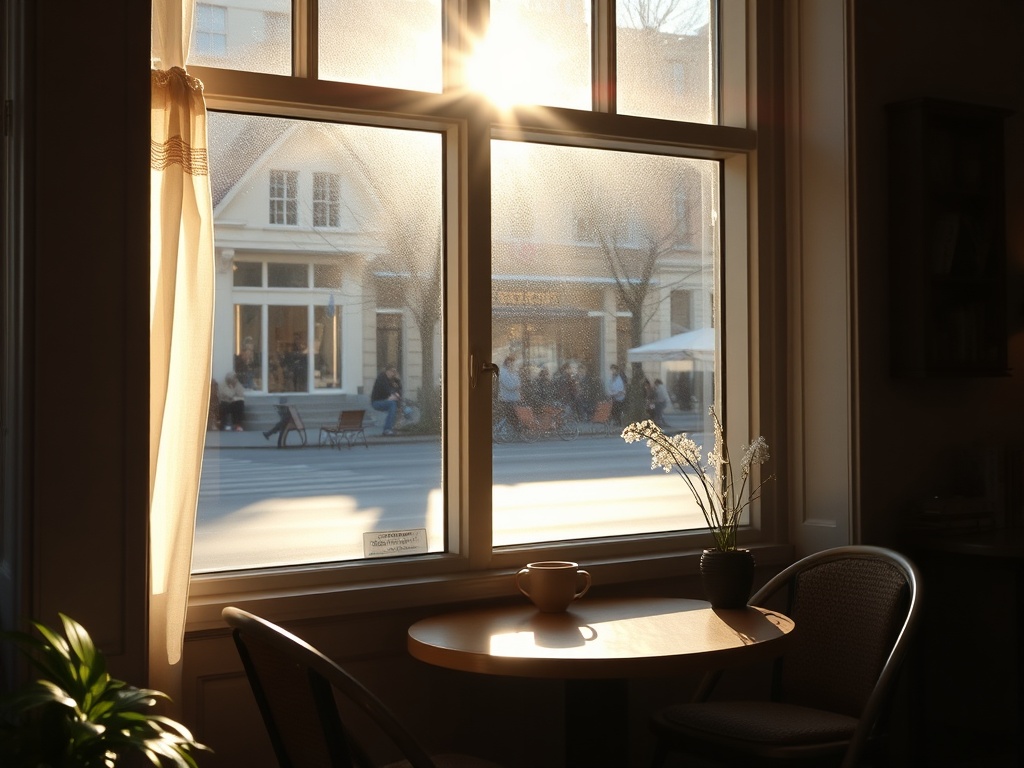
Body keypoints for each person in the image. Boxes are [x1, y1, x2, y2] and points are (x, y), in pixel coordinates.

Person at [371, 366, 402, 436]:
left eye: (395, 372)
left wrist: (398, 380)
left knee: (395, 404)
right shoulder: (381, 378)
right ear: (387, 371)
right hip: (377, 402)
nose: (393, 373)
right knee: (392, 404)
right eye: (392, 371)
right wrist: (391, 396)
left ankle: (393, 427)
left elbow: (399, 390)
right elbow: (386, 390)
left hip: (388, 401)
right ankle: (387, 429)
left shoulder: (393, 380)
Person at [497, 356, 522, 431]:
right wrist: (516, 386)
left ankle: (511, 430)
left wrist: (517, 385)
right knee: (511, 415)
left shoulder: (511, 371)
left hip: (513, 397)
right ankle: (500, 430)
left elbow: (518, 381)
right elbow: (509, 385)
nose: (513, 364)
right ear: (507, 362)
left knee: (512, 415)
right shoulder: (503, 372)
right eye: (511, 362)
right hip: (507, 398)